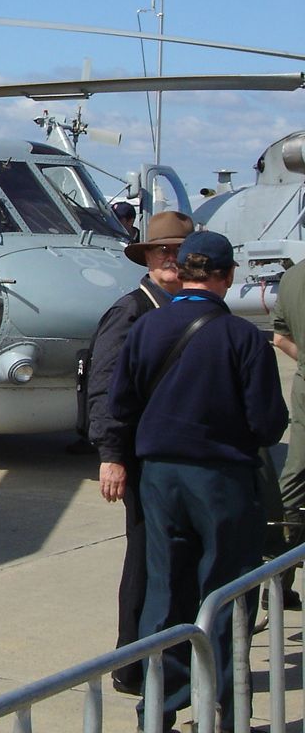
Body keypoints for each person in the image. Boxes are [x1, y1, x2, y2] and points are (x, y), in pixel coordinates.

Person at [103, 231, 288, 732]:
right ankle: (224, 709)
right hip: (221, 479)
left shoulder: (146, 329)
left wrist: (114, 456)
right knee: (225, 594)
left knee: (164, 592)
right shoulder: (245, 339)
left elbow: (120, 404)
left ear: (181, 271)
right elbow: (269, 424)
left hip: (159, 479)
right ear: (227, 277)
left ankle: (158, 710)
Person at [86, 210, 194, 695]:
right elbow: (105, 387)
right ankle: (130, 662)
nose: (170, 259)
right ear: (147, 257)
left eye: (178, 251)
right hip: (140, 457)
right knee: (145, 561)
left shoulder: (181, 310)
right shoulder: (132, 311)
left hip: (172, 455)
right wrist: (111, 453)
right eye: (162, 251)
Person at [271, 259, 305, 609]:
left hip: (304, 388)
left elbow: (280, 337)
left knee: (295, 479)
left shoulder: (293, 277)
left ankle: (279, 577)